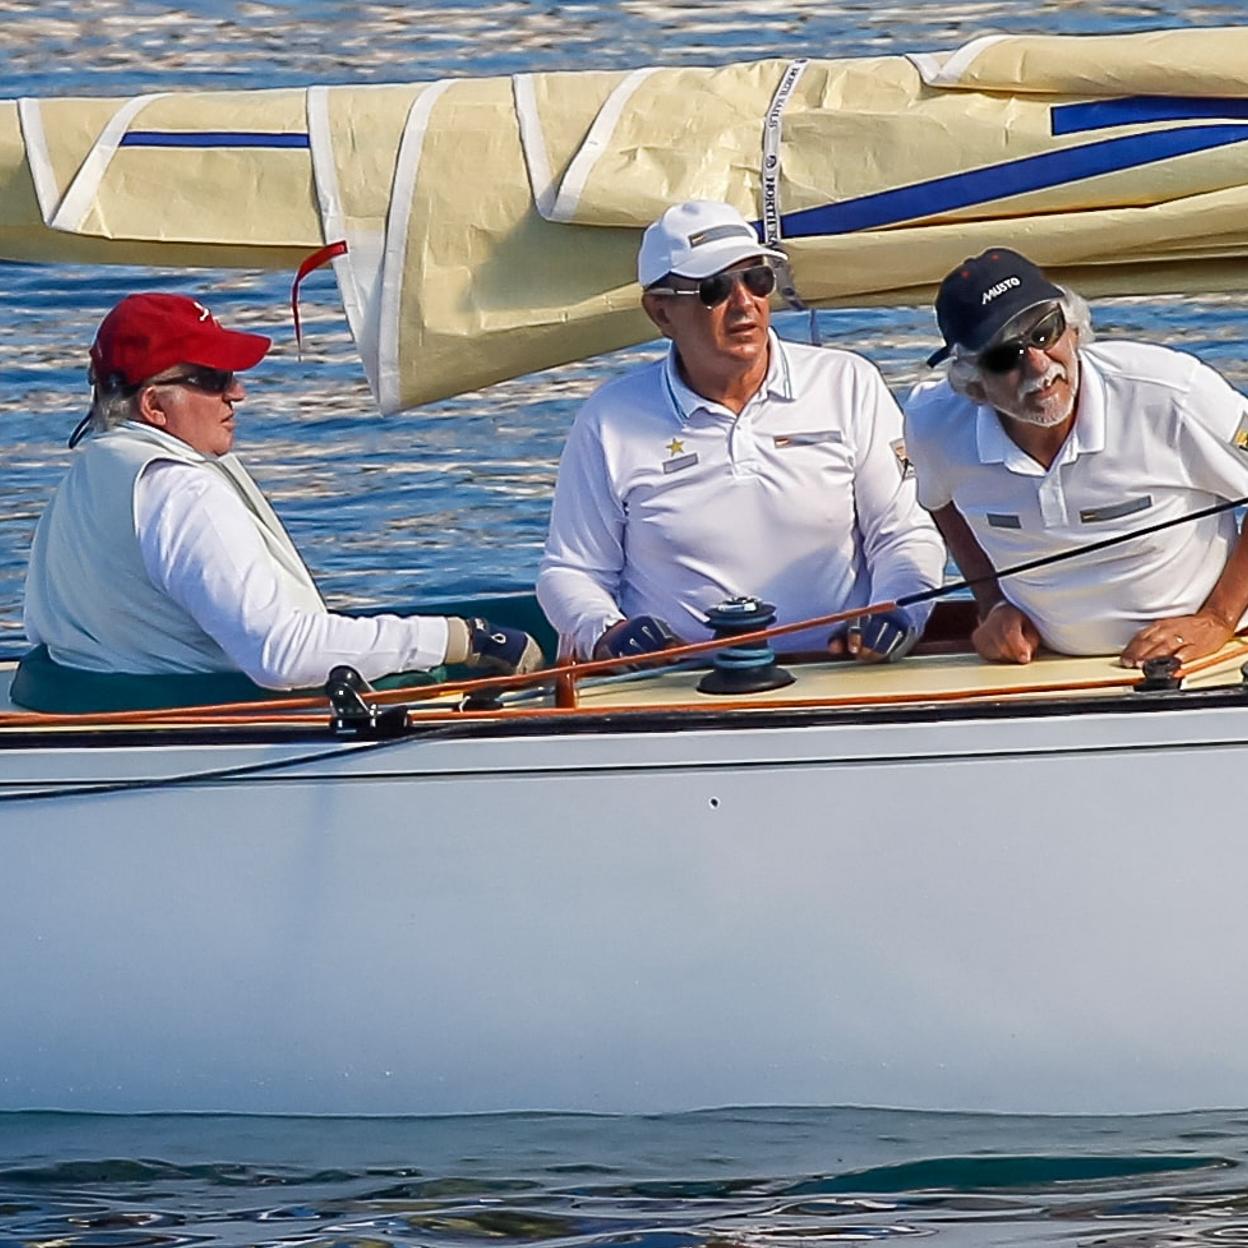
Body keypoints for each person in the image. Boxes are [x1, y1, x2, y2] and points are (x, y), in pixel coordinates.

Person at [16, 292, 541, 709]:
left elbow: (43, 631)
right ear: (154, 405)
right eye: (212, 378)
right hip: (212, 744)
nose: (236, 393)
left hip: (96, 713)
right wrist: (463, 640)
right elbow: (281, 653)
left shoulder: (84, 477)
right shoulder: (181, 490)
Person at [536, 200, 946, 663]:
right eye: (715, 289)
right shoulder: (608, 418)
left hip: (842, 674)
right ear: (661, 313)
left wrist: (897, 613)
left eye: (758, 280)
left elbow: (904, 535)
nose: (744, 303)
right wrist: (609, 633)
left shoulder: (848, 383)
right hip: (678, 688)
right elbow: (571, 572)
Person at [903, 247, 1248, 666]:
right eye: (1003, 356)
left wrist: (1218, 618)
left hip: (1209, 661)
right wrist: (991, 605)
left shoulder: (1172, 393)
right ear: (971, 380)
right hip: (1041, 669)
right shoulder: (932, 422)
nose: (1037, 363)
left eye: (1044, 332)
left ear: (1074, 330)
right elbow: (941, 503)